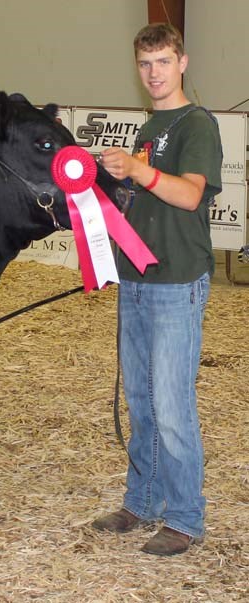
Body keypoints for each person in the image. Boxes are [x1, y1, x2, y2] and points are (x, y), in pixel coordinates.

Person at [93, 22, 223, 556]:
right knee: (142, 401)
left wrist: (139, 173)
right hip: (137, 281)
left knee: (171, 405)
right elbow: (142, 202)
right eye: (145, 64)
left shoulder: (198, 124)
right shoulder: (148, 129)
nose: (153, 73)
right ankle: (142, 501)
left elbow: (190, 196)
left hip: (176, 281)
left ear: (183, 63)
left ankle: (186, 517)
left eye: (163, 62)